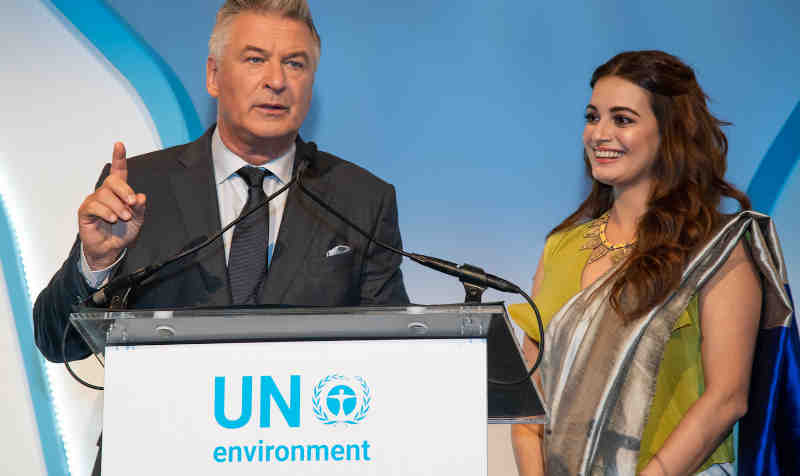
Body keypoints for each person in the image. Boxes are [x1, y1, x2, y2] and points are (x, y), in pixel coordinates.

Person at [34, 0, 409, 364]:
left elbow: (396, 358)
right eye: (255, 59)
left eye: (294, 64)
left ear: (311, 82)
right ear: (214, 75)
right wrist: (97, 262)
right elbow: (57, 342)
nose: (276, 81)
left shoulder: (360, 200)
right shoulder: (140, 188)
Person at [509, 50, 797, 475]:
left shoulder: (716, 249)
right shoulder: (560, 247)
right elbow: (528, 407)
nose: (599, 134)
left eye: (622, 119)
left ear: (671, 133)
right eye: (593, 117)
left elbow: (726, 399)